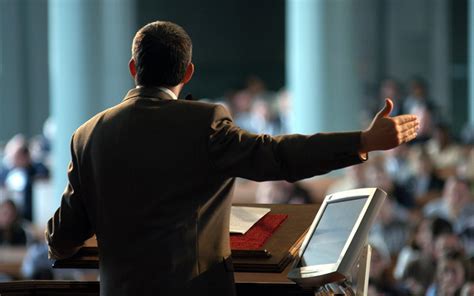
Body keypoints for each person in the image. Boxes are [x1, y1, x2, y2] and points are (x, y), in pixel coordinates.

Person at [45, 21, 419, 296]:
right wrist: (362, 140)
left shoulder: (88, 135)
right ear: (188, 73)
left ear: (133, 68)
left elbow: (63, 237)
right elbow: (279, 156)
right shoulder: (204, 123)